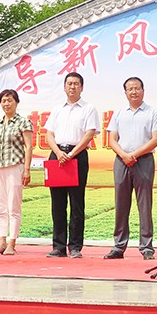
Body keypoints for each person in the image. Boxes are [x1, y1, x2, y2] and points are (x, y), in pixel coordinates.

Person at [105, 77, 157, 261]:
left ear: (143, 90)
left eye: (137, 88)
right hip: (121, 160)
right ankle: (119, 246)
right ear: (125, 93)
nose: (134, 92)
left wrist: (134, 155)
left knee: (144, 205)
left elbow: (156, 139)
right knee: (121, 204)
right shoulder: (119, 113)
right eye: (130, 89)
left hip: (143, 160)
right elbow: (112, 139)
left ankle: (146, 247)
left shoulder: (152, 113)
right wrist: (124, 155)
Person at [43, 72, 98, 258]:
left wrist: (72, 154)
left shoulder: (88, 108)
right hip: (57, 156)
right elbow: (49, 134)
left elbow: (89, 133)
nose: (72, 87)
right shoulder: (58, 109)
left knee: (76, 203)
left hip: (77, 155)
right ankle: (58, 246)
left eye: (76, 84)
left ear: (82, 87)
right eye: (69, 84)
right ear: (64, 87)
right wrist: (59, 153)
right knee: (57, 203)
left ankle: (75, 246)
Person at [0, 89, 33, 256]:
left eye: (10, 100)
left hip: (15, 166)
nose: (6, 104)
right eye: (4, 101)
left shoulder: (23, 122)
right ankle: (1, 242)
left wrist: (27, 169)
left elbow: (29, 147)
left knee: (13, 207)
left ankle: (12, 243)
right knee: (0, 207)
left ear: (16, 102)